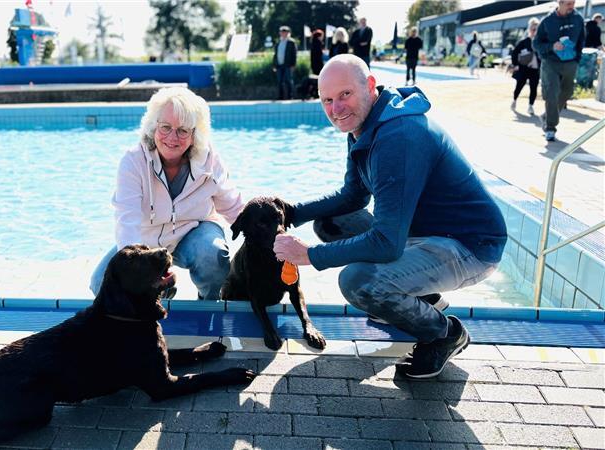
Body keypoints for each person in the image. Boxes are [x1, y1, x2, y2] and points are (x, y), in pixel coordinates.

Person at [272, 55, 506, 379]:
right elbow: (354, 196)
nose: (336, 109)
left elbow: (386, 243)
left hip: (470, 247)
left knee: (358, 282)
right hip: (424, 235)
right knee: (330, 222)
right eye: (327, 100)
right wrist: (293, 212)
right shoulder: (365, 125)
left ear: (370, 85)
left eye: (345, 95)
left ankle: (444, 333)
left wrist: (310, 255)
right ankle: (423, 297)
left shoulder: (399, 137)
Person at [89, 87, 244, 300]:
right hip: (148, 238)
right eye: (165, 127)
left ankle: (207, 303)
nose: (172, 137)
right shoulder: (133, 161)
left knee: (214, 256)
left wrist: (273, 242)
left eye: (183, 130)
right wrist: (140, 268)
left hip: (194, 231)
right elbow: (127, 221)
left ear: (194, 134)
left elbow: (234, 207)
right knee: (101, 285)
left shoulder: (210, 159)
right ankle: (162, 290)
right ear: (154, 126)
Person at [533, 0, 586, 141]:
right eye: (568, 3)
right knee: (552, 92)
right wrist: (552, 46)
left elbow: (582, 39)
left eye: (573, 3)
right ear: (560, 3)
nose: (572, 6)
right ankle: (550, 127)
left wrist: (577, 58)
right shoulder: (547, 21)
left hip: (570, 62)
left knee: (567, 92)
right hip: (551, 62)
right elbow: (536, 44)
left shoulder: (578, 19)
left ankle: (546, 116)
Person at [511, 18, 542, 116]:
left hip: (535, 69)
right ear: (529, 29)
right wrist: (516, 64)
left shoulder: (540, 42)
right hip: (524, 68)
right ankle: (514, 100)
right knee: (519, 86)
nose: (535, 31)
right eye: (533, 29)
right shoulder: (523, 42)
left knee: (533, 88)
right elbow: (514, 53)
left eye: (537, 29)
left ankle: (530, 106)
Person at [272, 25, 297, 100]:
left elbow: (294, 54)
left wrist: (293, 65)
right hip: (279, 65)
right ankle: (280, 96)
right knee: (279, 81)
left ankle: (290, 96)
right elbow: (275, 54)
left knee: (288, 80)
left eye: (285, 32)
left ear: (288, 33)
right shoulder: (278, 42)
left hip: (288, 65)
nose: (283, 33)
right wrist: (274, 64)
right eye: (282, 32)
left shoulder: (291, 42)